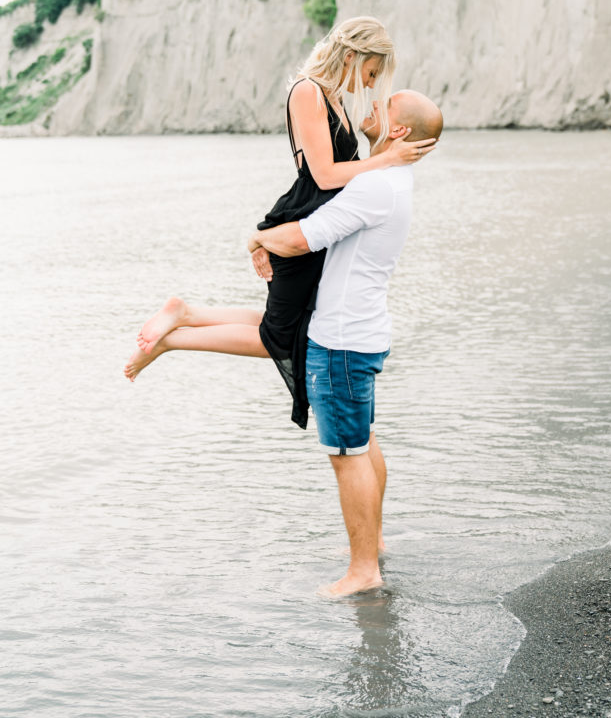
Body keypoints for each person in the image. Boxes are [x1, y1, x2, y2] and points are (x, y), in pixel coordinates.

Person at [128, 90, 443, 598]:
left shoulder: (375, 186)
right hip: (357, 330)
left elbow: (299, 239)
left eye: (386, 102)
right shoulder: (389, 179)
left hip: (341, 339)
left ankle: (364, 571)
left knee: (348, 452)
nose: (374, 100)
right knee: (362, 441)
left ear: (399, 130)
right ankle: (374, 544)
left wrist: (256, 239)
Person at [125, 18, 435, 410]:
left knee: (286, 326)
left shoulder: (333, 96)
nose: (372, 84)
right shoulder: (309, 92)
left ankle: (185, 312)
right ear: (352, 56)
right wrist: (388, 158)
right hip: (304, 219)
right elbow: (324, 176)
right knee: (280, 336)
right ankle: (171, 338)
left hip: (316, 223)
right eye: (372, 72)